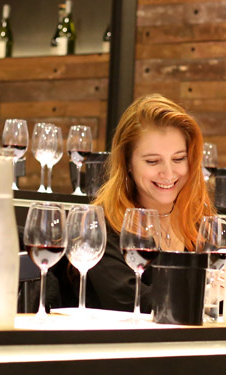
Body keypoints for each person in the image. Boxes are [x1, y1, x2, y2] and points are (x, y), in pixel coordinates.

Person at [81, 93, 213, 312]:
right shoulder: (100, 226)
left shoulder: (200, 223)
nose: (168, 173)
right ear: (127, 163)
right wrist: (206, 294)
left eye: (179, 159)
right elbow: (130, 302)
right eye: (152, 161)